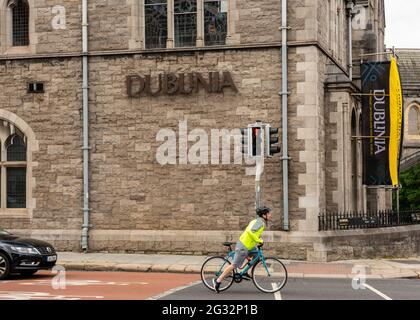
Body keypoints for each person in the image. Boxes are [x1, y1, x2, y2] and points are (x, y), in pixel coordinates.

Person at [212, 206, 272, 293]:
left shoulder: (257, 221)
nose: (270, 215)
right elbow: (250, 232)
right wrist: (259, 240)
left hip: (249, 246)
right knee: (234, 265)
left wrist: (257, 240)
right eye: (269, 213)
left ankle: (245, 272)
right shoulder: (260, 222)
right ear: (264, 215)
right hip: (244, 245)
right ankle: (218, 281)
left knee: (257, 256)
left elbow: (253, 233)